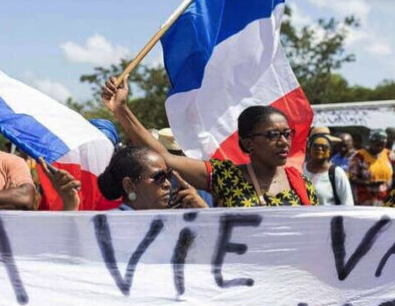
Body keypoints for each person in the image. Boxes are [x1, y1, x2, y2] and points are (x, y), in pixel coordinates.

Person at [101, 76, 318, 207]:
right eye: (272, 135)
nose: (283, 142)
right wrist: (122, 110)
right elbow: (165, 156)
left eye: (287, 134)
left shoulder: (301, 184)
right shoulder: (227, 177)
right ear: (249, 142)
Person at [93, 146, 208, 210]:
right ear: (129, 186)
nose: (168, 184)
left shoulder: (174, 222)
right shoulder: (107, 226)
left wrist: (204, 214)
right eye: (159, 177)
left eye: (168, 176)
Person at [348, 129, 395, 206]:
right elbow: (351, 177)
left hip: (386, 198)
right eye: (377, 144)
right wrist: (368, 183)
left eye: (382, 145)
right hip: (365, 198)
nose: (379, 147)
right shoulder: (359, 156)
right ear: (371, 142)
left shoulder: (389, 154)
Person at [304, 133, 353, 205]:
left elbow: (347, 203)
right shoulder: (300, 169)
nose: (319, 149)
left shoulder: (337, 173)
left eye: (324, 147)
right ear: (309, 149)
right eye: (315, 146)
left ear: (330, 151)